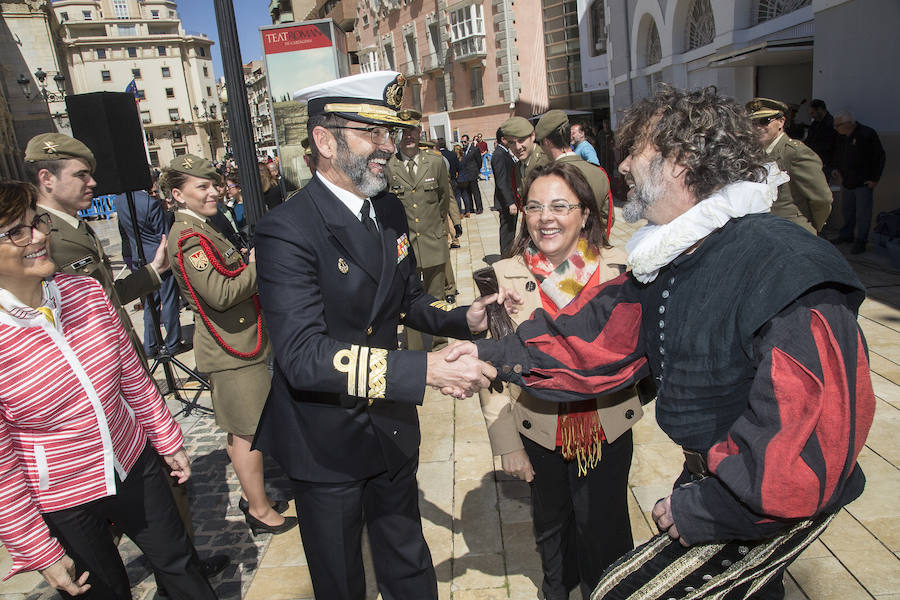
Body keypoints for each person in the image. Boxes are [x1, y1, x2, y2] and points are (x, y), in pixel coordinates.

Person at [450, 85, 875, 599]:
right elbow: (591, 342)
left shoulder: (786, 268)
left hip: (753, 505)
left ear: (682, 161)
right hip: (712, 483)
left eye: (636, 151)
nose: (623, 165)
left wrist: (707, 509)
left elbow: (809, 444)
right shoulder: (678, 256)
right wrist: (486, 353)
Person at [251, 71, 507, 600]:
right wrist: (426, 370)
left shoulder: (386, 209)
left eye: (389, 134)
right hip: (325, 441)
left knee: (408, 562)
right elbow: (302, 357)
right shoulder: (287, 230)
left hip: (388, 425)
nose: (388, 147)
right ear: (325, 141)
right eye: (373, 133)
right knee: (342, 580)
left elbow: (408, 299)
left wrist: (466, 319)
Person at [0, 181, 217, 600]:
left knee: (180, 565)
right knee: (102, 592)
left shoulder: (86, 293)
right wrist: (36, 546)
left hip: (133, 463)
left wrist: (166, 438)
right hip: (62, 497)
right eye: (16, 232)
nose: (39, 237)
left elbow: (132, 378)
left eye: (36, 223)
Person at [478, 162, 642, 599]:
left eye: (559, 206)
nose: (545, 218)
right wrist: (506, 443)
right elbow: (493, 371)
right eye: (534, 207)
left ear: (585, 213)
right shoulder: (502, 275)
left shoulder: (621, 269)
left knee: (604, 525)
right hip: (536, 426)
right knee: (551, 526)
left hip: (605, 423)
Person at [161, 154, 297, 537]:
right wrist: (259, 263)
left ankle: (257, 497)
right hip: (231, 348)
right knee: (247, 431)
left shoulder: (203, 228)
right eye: (201, 187)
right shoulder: (189, 238)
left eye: (213, 185)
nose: (213, 192)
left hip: (243, 340)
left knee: (245, 427)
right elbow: (220, 294)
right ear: (178, 195)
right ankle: (258, 509)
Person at [24, 134, 167, 358]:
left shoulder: (76, 226)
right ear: (47, 178)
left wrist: (154, 270)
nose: (92, 182)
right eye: (81, 175)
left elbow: (104, 296)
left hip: (117, 359)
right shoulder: (37, 240)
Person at [386, 119, 460, 350]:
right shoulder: (389, 166)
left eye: (413, 131)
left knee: (436, 295)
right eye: (404, 131)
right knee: (407, 299)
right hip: (404, 246)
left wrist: (438, 228)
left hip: (432, 240)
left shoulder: (436, 163)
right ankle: (415, 347)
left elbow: (442, 199)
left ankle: (439, 342)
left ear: (420, 133)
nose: (409, 136)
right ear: (398, 135)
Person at [116, 184, 188, 358]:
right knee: (169, 300)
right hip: (158, 256)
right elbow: (163, 234)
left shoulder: (120, 200)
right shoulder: (150, 203)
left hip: (138, 255)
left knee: (149, 303)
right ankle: (172, 343)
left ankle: (150, 344)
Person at [747, 97, 832, 235]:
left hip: (793, 232)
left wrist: (811, 226)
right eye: (753, 122)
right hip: (765, 232)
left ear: (781, 122)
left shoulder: (796, 153)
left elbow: (822, 199)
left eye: (764, 121)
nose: (758, 127)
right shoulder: (755, 153)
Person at [535, 109, 614, 237]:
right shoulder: (599, 172)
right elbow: (608, 217)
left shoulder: (548, 177)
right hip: (592, 246)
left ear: (547, 142)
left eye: (541, 144)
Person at [832, 110, 886, 254]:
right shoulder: (842, 137)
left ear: (848, 123)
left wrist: (874, 179)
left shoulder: (867, 134)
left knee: (863, 213)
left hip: (863, 182)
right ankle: (846, 235)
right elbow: (838, 154)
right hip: (847, 181)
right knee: (847, 210)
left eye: (838, 126)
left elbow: (879, 157)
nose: (836, 129)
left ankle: (861, 240)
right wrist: (837, 169)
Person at [501, 116, 550, 205]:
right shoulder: (518, 167)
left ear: (533, 136)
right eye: (511, 142)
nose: (517, 147)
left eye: (521, 140)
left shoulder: (547, 163)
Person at [491, 128, 519, 255]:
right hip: (506, 202)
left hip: (511, 199)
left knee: (511, 231)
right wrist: (510, 202)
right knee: (507, 233)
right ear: (503, 139)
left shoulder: (505, 153)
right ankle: (506, 258)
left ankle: (509, 255)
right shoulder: (499, 155)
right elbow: (502, 181)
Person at [805, 99, 836, 175]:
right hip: (814, 160)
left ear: (819, 109)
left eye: (813, 113)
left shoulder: (831, 124)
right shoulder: (815, 124)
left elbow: (828, 145)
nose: (812, 116)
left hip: (825, 162)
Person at [458, 134, 484, 214]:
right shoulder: (462, 150)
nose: (463, 143)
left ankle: (479, 207)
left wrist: (477, 170)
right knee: (468, 192)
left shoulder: (475, 149)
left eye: (465, 142)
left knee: (475, 191)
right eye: (462, 142)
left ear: (468, 141)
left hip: (473, 173)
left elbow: (479, 161)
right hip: (465, 175)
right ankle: (470, 208)